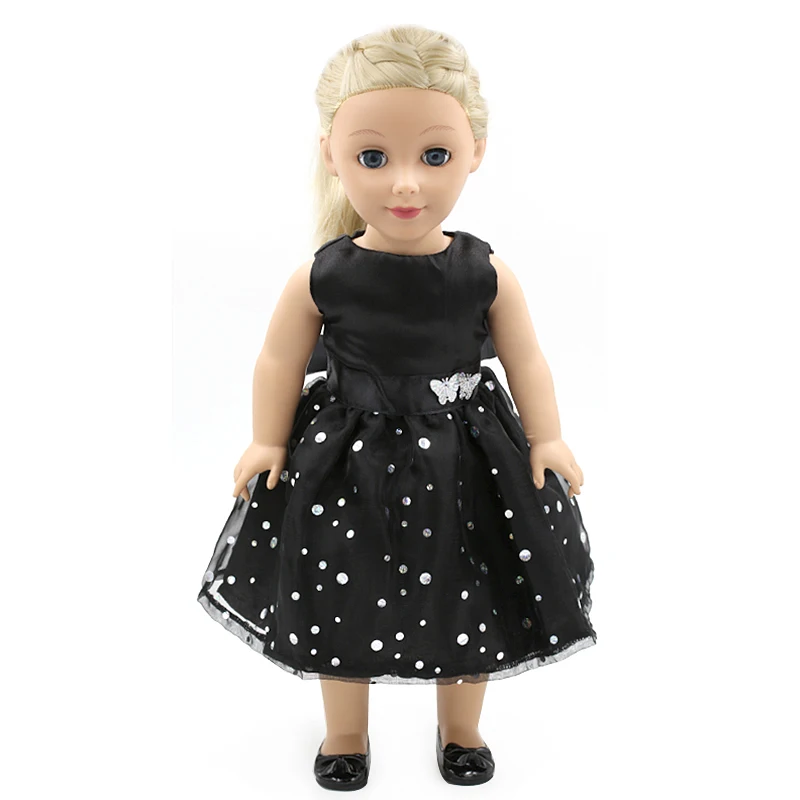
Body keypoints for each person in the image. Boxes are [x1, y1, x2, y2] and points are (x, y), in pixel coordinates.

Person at [196, 24, 597, 791]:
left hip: (467, 458)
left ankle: (462, 729)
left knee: (472, 586)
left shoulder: (485, 272)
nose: (406, 184)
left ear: (476, 151)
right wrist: (266, 441)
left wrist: (547, 437)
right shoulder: (323, 276)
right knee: (338, 590)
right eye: (374, 158)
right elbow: (278, 361)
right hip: (347, 461)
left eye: (435, 156)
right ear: (332, 155)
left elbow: (527, 360)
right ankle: (345, 732)